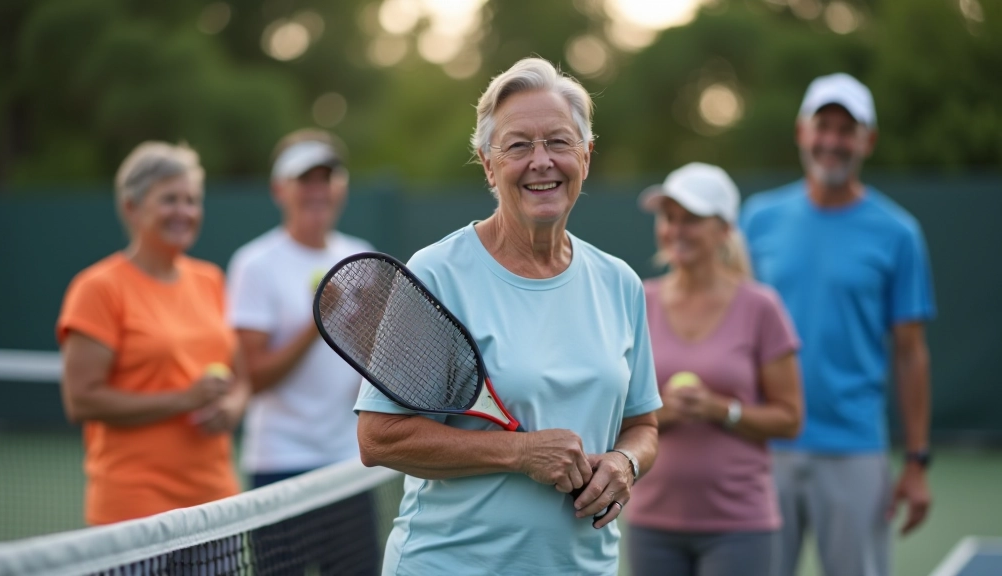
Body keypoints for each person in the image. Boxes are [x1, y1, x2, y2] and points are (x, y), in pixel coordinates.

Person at [353, 57, 662, 575]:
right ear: (488, 165)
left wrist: (625, 462)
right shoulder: (437, 274)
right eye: (518, 146)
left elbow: (643, 425)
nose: (541, 161)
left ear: (586, 156)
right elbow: (379, 437)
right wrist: (520, 453)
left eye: (558, 142)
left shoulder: (620, 283)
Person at [741, 73, 936, 576]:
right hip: (764, 447)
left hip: (855, 449)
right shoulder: (757, 219)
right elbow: (734, 327)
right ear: (801, 132)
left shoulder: (899, 234)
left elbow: (911, 352)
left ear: (867, 141)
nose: (832, 141)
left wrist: (917, 462)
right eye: (822, 127)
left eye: (846, 130)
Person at [624, 163, 803, 576]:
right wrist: (666, 413)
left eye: (691, 219)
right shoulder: (638, 301)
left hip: (741, 527)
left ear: (724, 229)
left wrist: (720, 409)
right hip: (651, 523)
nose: (676, 230)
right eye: (669, 218)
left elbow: (790, 419)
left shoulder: (762, 307)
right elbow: (617, 417)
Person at [57, 141, 249, 525]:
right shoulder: (98, 289)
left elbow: (241, 376)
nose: (184, 212)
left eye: (192, 201)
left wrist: (233, 406)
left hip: (216, 504)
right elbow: (81, 401)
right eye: (170, 200)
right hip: (135, 510)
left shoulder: (210, 280)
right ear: (132, 207)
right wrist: (185, 399)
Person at [225, 129, 378, 574]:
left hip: (348, 465)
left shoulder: (360, 256)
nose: (316, 190)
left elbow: (373, 365)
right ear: (280, 190)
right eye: (304, 179)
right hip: (280, 463)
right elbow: (253, 378)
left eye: (325, 178)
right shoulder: (254, 264)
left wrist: (365, 331)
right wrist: (317, 322)